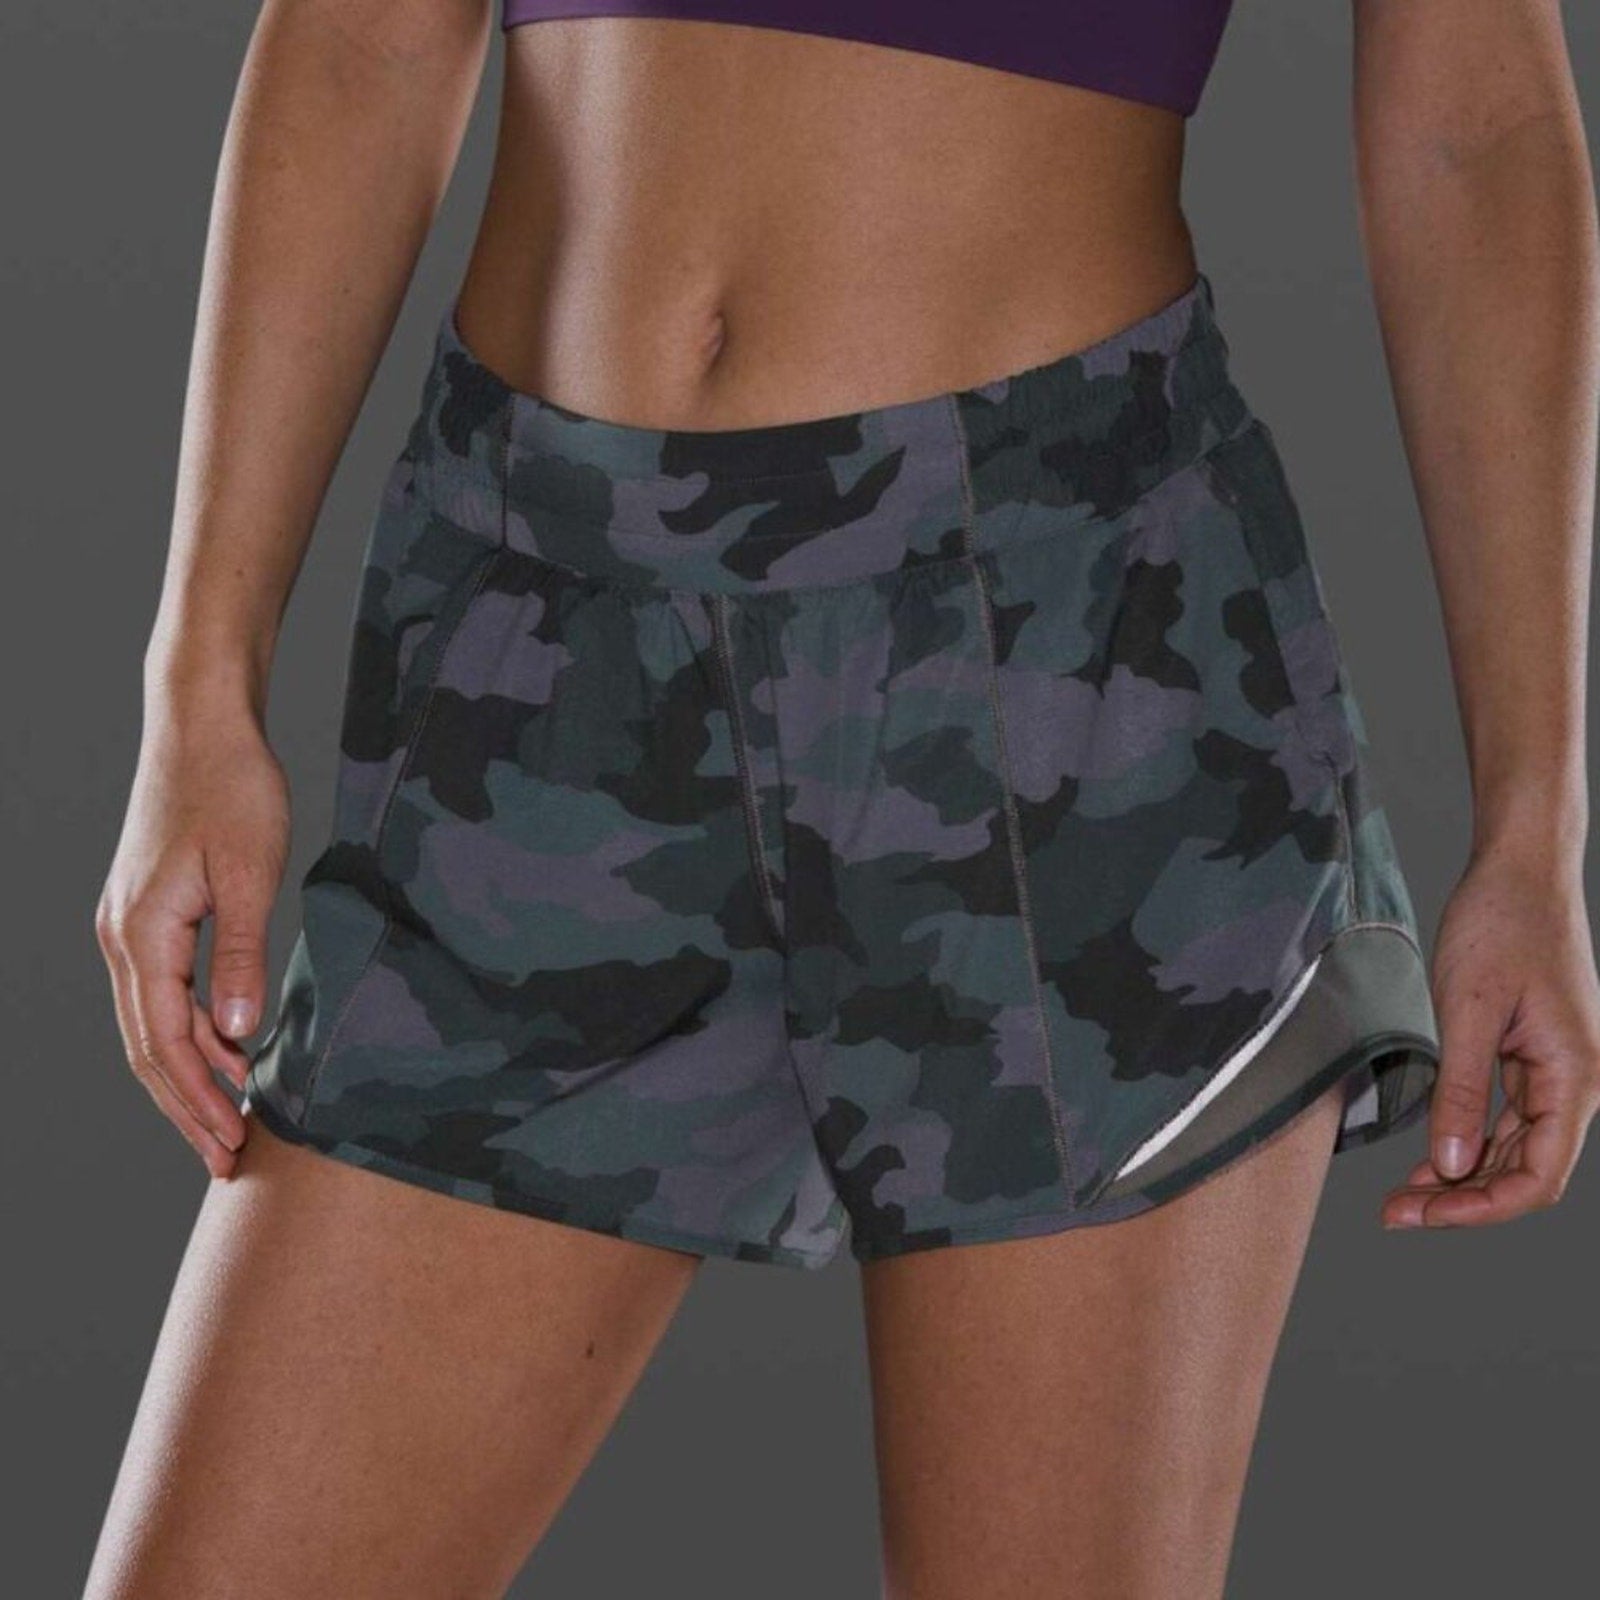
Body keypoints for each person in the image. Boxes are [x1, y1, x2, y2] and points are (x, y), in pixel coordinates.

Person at [86, 2, 1600, 1596]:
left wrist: (1534, 826)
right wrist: (199, 682)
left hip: (1069, 656)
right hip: (546, 646)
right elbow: (363, 43)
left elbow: (1476, 128)